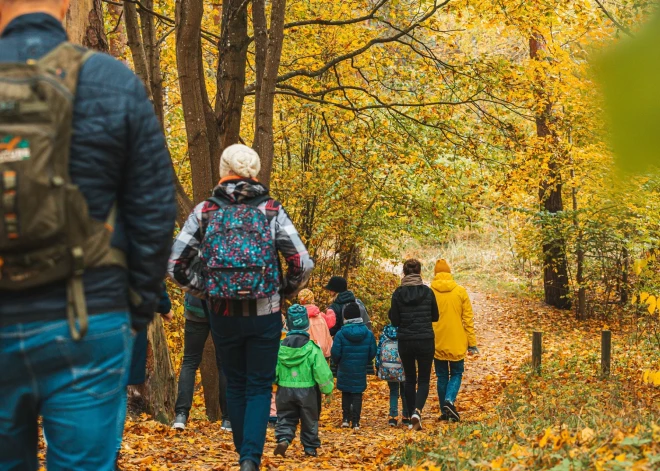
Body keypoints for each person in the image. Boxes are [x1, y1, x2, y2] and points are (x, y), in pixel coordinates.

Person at [0, 1, 176, 470]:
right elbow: (155, 208)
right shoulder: (111, 80)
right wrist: (134, 308)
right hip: (87, 316)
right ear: (66, 5)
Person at [169, 144, 313, 471]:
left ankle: (243, 455)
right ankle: (251, 458)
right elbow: (302, 263)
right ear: (256, 172)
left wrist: (206, 290)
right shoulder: (271, 209)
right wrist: (284, 290)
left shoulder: (205, 211)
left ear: (223, 171)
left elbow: (176, 265)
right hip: (265, 314)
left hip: (222, 314)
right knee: (260, 386)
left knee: (235, 383)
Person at [117, 286, 173, 458]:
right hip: (125, 314)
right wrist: (164, 305)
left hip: (80, 312)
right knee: (116, 388)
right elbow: (148, 269)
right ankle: (110, 455)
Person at [273, 305, 334, 458]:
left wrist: (273, 381)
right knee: (309, 420)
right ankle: (309, 447)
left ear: (288, 324)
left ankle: (284, 439)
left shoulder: (280, 348)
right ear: (307, 325)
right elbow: (321, 371)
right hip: (308, 391)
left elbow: (272, 370)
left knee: (286, 417)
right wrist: (327, 389)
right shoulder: (312, 348)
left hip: (285, 390)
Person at [388, 259, 438, 431]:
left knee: (409, 378)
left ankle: (409, 417)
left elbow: (394, 320)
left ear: (404, 272)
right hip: (425, 339)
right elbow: (435, 316)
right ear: (420, 272)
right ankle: (417, 411)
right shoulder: (428, 292)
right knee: (424, 379)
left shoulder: (398, 293)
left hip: (406, 340)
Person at [173, 293, 231, 431]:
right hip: (224, 311)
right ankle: (228, 419)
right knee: (225, 364)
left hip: (196, 307)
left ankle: (181, 416)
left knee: (189, 362)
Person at [430, 259, 478, 422]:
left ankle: (445, 412)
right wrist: (472, 343)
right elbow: (468, 319)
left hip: (437, 340)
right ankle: (449, 400)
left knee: (442, 376)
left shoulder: (430, 292)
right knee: (457, 373)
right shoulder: (460, 291)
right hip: (457, 340)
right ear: (450, 273)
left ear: (435, 274)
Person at [331, 302, 376, 431]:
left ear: (345, 317)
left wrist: (338, 362)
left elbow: (335, 352)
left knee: (346, 392)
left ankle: (346, 419)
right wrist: (364, 360)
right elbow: (372, 351)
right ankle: (356, 422)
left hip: (344, 367)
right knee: (357, 393)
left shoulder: (340, 334)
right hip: (360, 367)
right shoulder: (367, 333)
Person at [376, 324, 409, 427]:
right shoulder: (406, 330)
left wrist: (378, 366)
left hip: (389, 367)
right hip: (404, 367)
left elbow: (379, 350)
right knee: (405, 392)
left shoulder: (386, 332)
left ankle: (393, 417)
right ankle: (406, 416)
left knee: (393, 391)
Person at [298, 288, 334, 358]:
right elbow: (328, 338)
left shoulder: (299, 319)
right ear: (312, 300)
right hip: (322, 356)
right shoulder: (321, 317)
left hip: (307, 356)